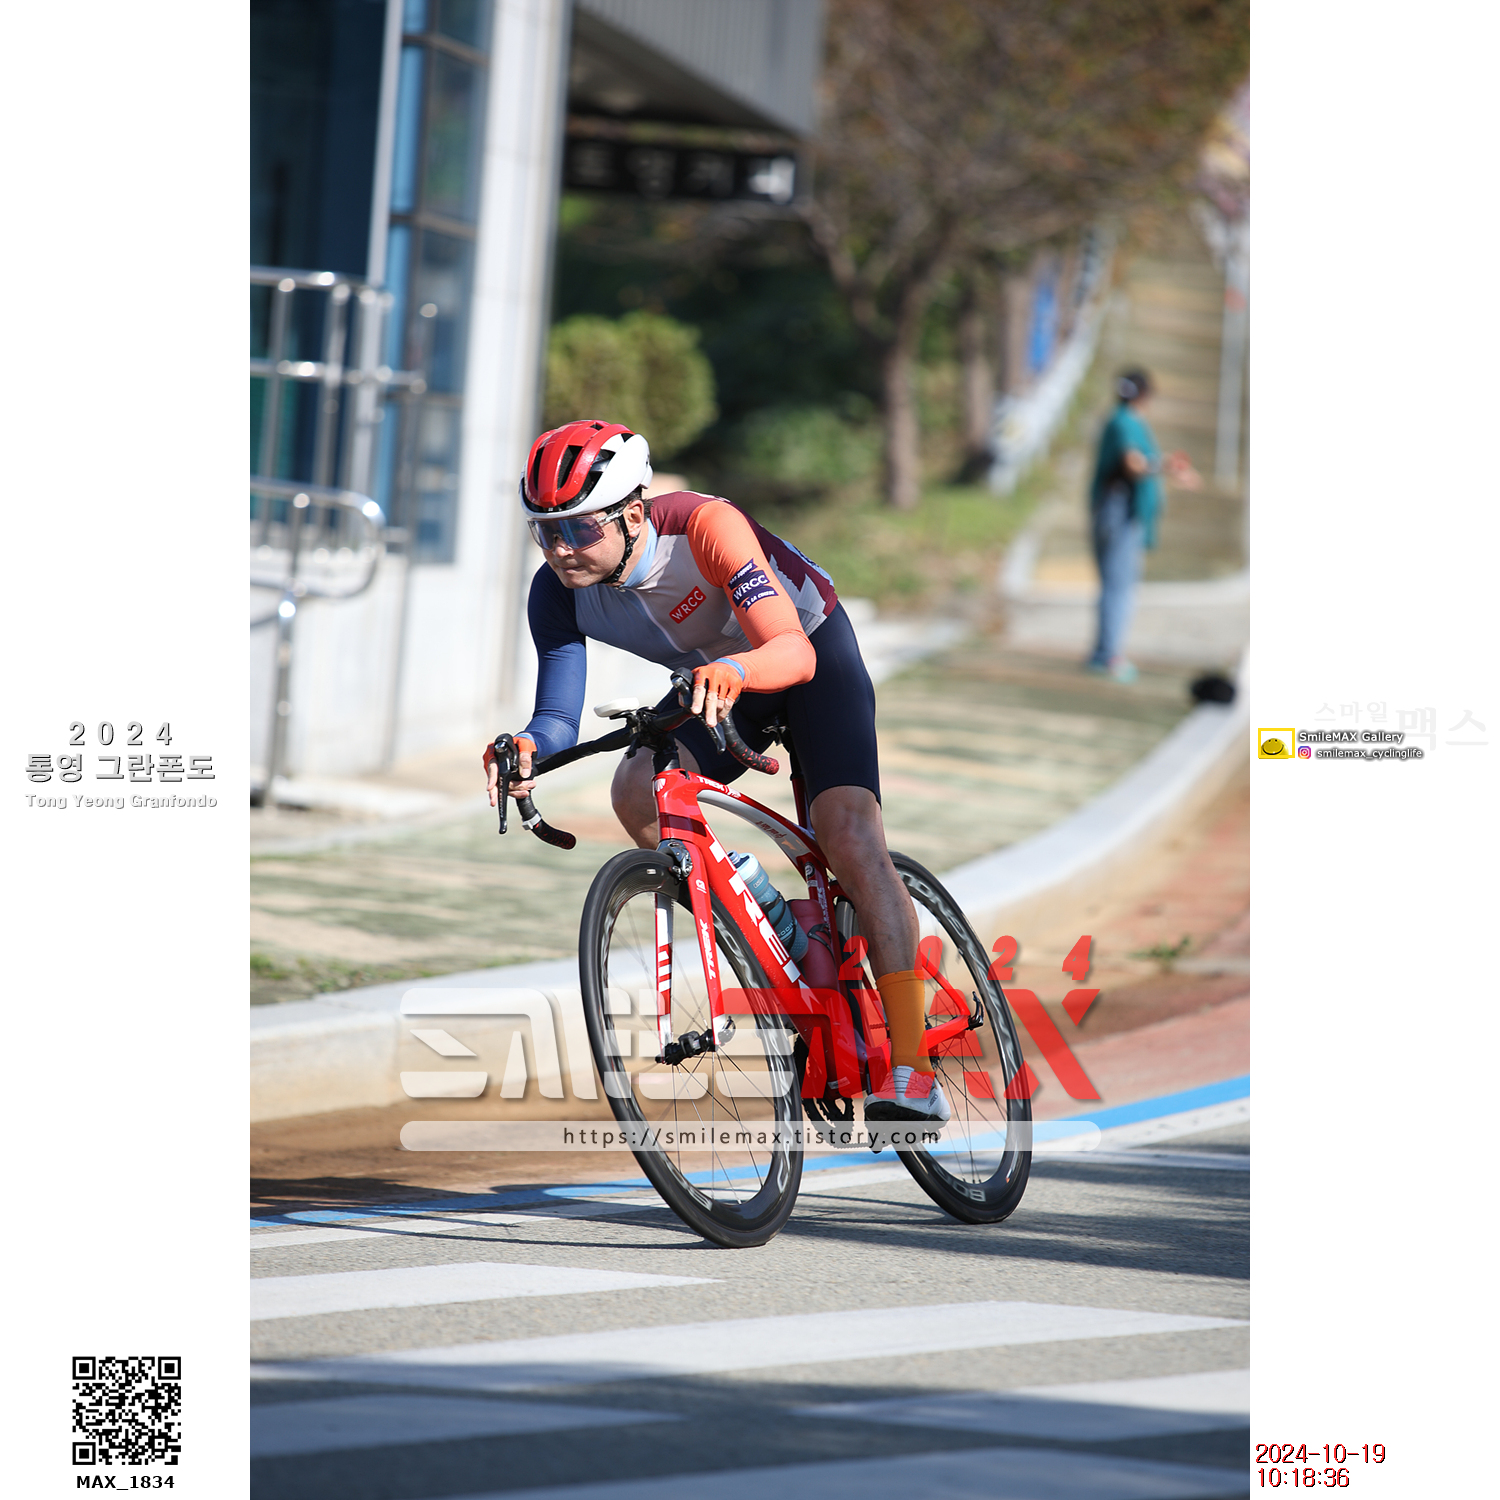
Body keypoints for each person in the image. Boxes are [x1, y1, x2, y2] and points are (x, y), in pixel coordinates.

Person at [485, 419, 948, 1122]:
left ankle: (913, 1066)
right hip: (716, 681)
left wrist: (735, 668)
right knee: (636, 792)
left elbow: (793, 653)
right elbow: (556, 718)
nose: (559, 549)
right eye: (544, 532)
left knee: (849, 837)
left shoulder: (704, 526)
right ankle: (769, 926)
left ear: (632, 513)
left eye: (578, 528)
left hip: (803, 652)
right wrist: (526, 746)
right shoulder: (555, 591)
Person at [1086, 368, 1200, 682]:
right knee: (1119, 587)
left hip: (1112, 511)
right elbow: (1133, 464)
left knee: (1113, 585)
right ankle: (1109, 656)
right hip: (1120, 514)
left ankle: (1102, 652)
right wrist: (1163, 466)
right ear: (1146, 395)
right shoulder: (1125, 422)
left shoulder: (1120, 420)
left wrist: (1166, 467)